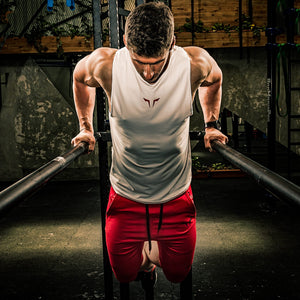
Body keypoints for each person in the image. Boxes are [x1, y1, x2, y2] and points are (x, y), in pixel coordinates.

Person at [71, 1, 228, 290]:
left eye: (156, 63)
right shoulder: (107, 65)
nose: (148, 73)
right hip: (125, 197)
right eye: (138, 62)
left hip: (177, 197)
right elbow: (80, 79)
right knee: (125, 275)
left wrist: (211, 124)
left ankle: (152, 254)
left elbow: (214, 80)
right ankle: (147, 262)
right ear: (125, 44)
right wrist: (86, 128)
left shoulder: (193, 63)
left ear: (173, 44)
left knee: (178, 275)